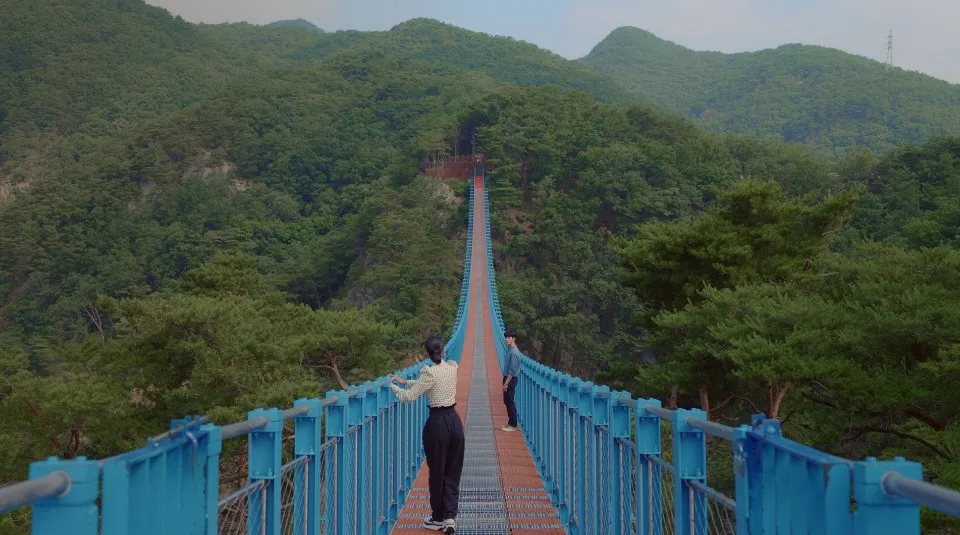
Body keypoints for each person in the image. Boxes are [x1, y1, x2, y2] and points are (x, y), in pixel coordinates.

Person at [390, 336, 463, 533]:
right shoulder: (452, 367)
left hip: (438, 424)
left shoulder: (428, 372)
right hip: (455, 423)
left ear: (427, 354)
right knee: (453, 471)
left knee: (437, 472)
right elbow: (429, 382)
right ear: (444, 351)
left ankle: (438, 517)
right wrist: (406, 380)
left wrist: (393, 386)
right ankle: (450, 517)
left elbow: (409, 396)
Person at [501, 330, 521, 432]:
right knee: (507, 401)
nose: (507, 339)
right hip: (509, 378)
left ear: (514, 338)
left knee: (510, 401)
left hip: (510, 379)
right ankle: (510, 422)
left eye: (509, 338)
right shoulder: (510, 350)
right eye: (506, 337)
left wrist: (506, 383)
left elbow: (513, 371)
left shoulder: (513, 352)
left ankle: (513, 424)